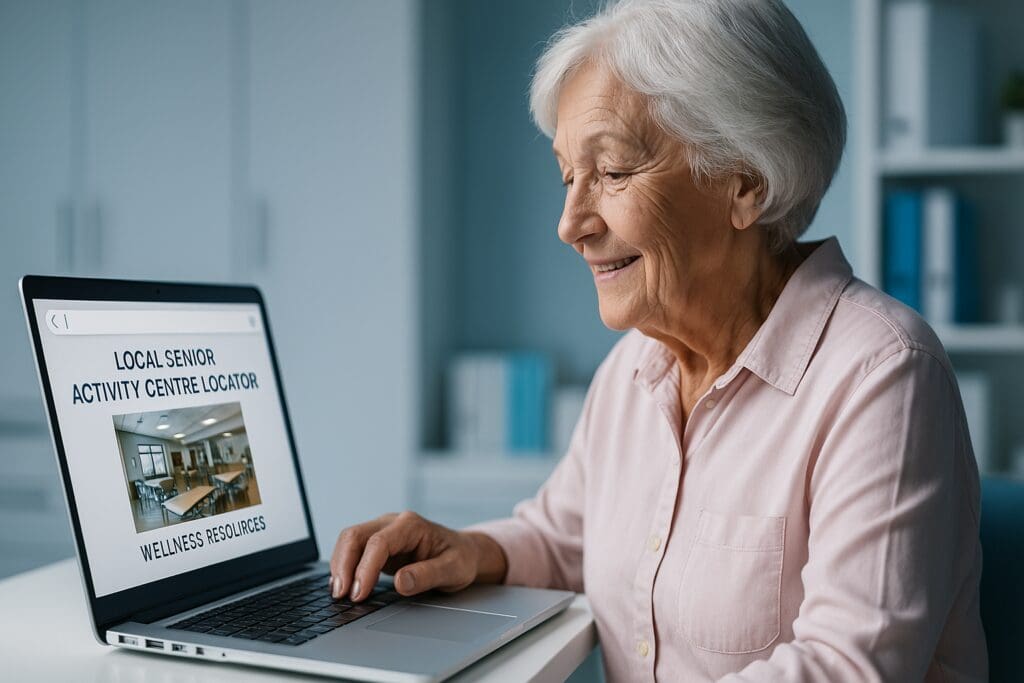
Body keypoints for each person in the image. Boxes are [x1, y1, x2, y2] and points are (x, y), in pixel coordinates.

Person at [329, 1, 988, 680]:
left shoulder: (884, 375)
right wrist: (468, 549)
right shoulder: (633, 370)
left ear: (746, 181)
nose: (570, 223)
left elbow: (845, 667)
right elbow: (563, 538)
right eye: (567, 176)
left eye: (611, 172)